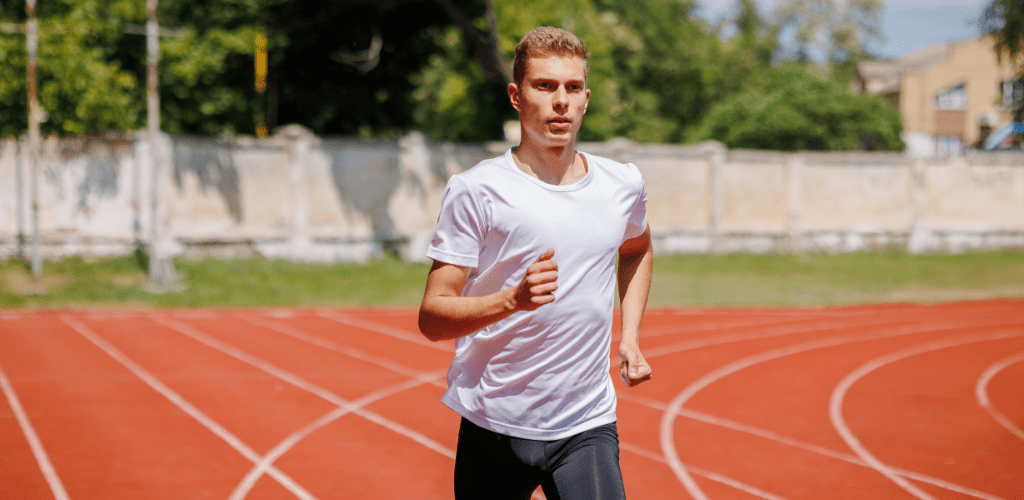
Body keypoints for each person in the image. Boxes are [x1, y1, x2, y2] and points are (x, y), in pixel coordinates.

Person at [418, 26, 653, 500]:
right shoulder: (476, 190)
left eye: (572, 87)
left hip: (586, 423)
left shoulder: (622, 185)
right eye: (544, 86)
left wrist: (629, 336)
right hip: (494, 423)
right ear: (516, 96)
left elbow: (637, 249)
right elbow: (432, 316)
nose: (560, 101)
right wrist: (512, 300)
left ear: (586, 99)